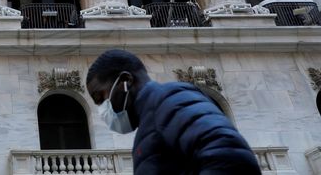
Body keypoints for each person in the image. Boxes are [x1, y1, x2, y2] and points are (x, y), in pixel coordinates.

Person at [86, 49, 261, 175]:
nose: (103, 109)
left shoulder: (170, 99)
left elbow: (230, 157)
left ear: (125, 81)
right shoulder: (151, 119)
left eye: (101, 97)